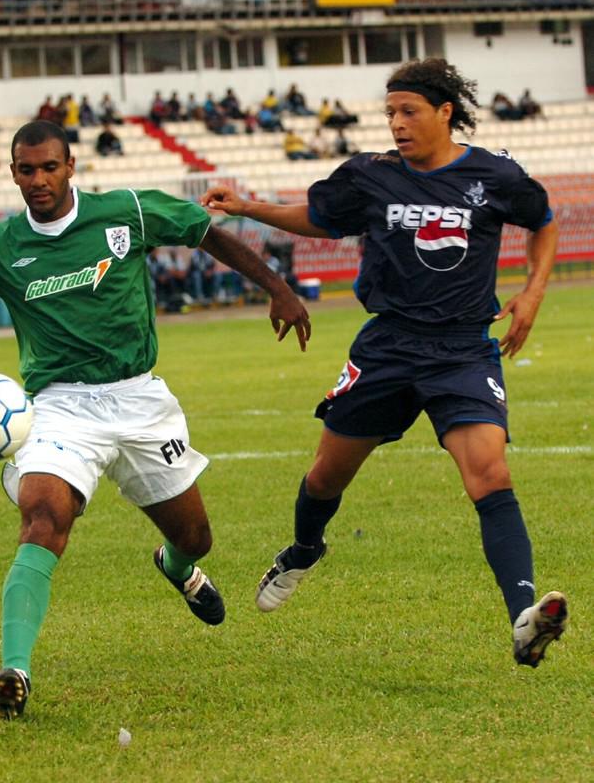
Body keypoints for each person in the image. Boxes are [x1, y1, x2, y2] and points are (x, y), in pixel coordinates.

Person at [0, 120, 310, 720]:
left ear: (71, 166)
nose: (37, 180)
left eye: (48, 167)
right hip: (59, 408)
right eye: (25, 170)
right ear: (12, 173)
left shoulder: (128, 213)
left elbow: (206, 233)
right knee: (44, 516)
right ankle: (14, 669)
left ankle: (176, 567)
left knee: (196, 538)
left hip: (140, 401)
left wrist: (277, 288)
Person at [200, 57, 567, 669]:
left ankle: (524, 619)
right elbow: (316, 221)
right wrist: (247, 207)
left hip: (462, 349)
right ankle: (303, 549)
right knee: (324, 478)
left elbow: (544, 221)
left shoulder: (494, 175)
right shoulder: (371, 176)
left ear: (445, 112)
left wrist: (532, 292)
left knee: (490, 475)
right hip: (388, 347)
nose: (396, 124)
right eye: (390, 113)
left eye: (408, 112)